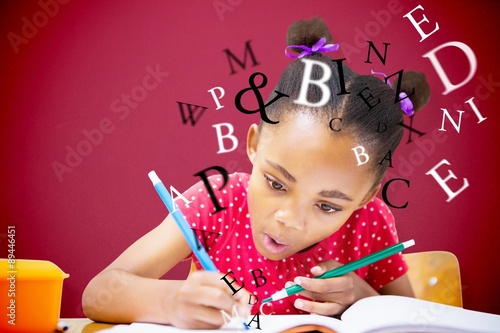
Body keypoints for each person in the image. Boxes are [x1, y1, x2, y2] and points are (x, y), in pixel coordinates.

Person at [82, 17, 430, 329]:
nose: (290, 219)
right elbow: (98, 294)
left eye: (327, 206)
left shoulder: (371, 222)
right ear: (253, 144)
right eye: (277, 183)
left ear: (366, 197)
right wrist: (170, 302)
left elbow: (416, 322)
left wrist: (363, 298)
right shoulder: (214, 200)